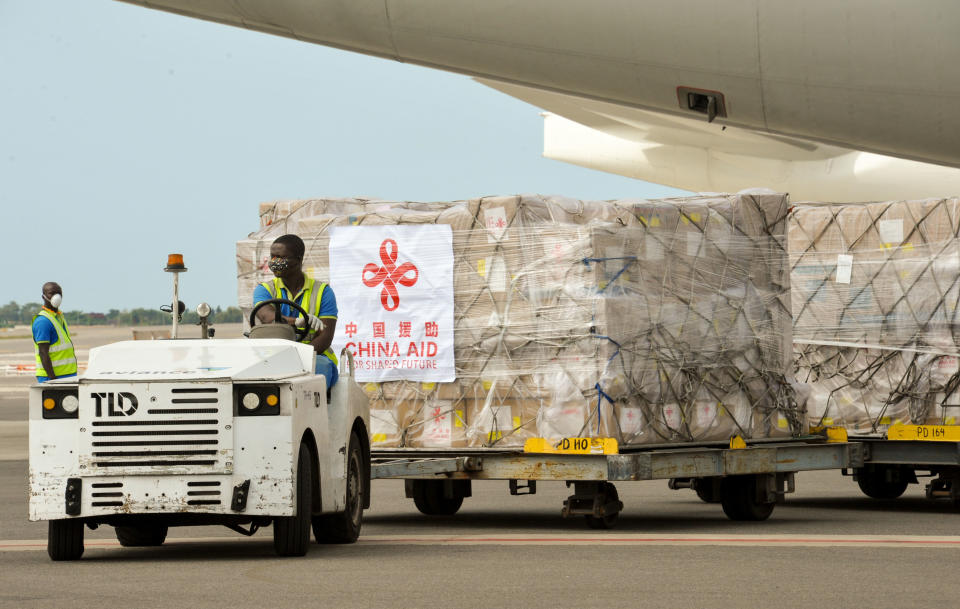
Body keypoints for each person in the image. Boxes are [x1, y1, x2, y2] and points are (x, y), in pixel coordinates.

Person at [253, 234, 339, 389]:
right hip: (273, 355)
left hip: (314, 356)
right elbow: (267, 317)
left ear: (298, 260)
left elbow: (325, 337)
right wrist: (298, 321)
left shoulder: (323, 292)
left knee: (320, 369)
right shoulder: (264, 290)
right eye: (272, 257)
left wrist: (300, 356)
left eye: (281, 257)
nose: (275, 262)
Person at [32, 282, 78, 383]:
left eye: (59, 293)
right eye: (51, 293)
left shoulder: (59, 317)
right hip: (52, 377)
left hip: (68, 375)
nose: (56, 296)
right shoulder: (43, 321)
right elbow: (43, 353)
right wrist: (53, 381)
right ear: (43, 297)